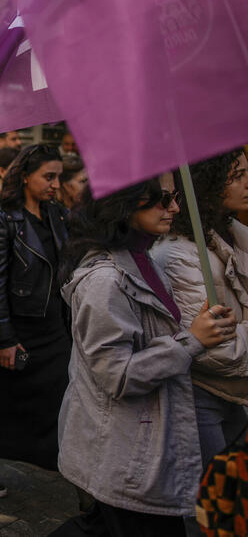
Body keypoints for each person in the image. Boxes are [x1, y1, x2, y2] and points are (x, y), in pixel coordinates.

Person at [55, 175, 236, 536]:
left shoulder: (144, 259)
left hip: (145, 446)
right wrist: (191, 341)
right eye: (161, 199)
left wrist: (198, 328)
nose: (174, 208)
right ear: (125, 204)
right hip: (126, 456)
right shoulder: (104, 281)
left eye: (174, 198)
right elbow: (118, 376)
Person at [0, 144, 69, 497]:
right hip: (13, 325)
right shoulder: (2, 219)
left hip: (51, 323)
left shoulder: (58, 214)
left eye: (59, 177)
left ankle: (52, 459)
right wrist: (4, 338)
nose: (55, 184)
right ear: (24, 177)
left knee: (57, 397)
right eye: (48, 177)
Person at [152, 151, 248, 466]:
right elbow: (215, 350)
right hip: (201, 396)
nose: (246, 183)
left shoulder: (231, 234)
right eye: (236, 177)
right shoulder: (178, 254)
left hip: (235, 395)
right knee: (210, 500)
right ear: (208, 185)